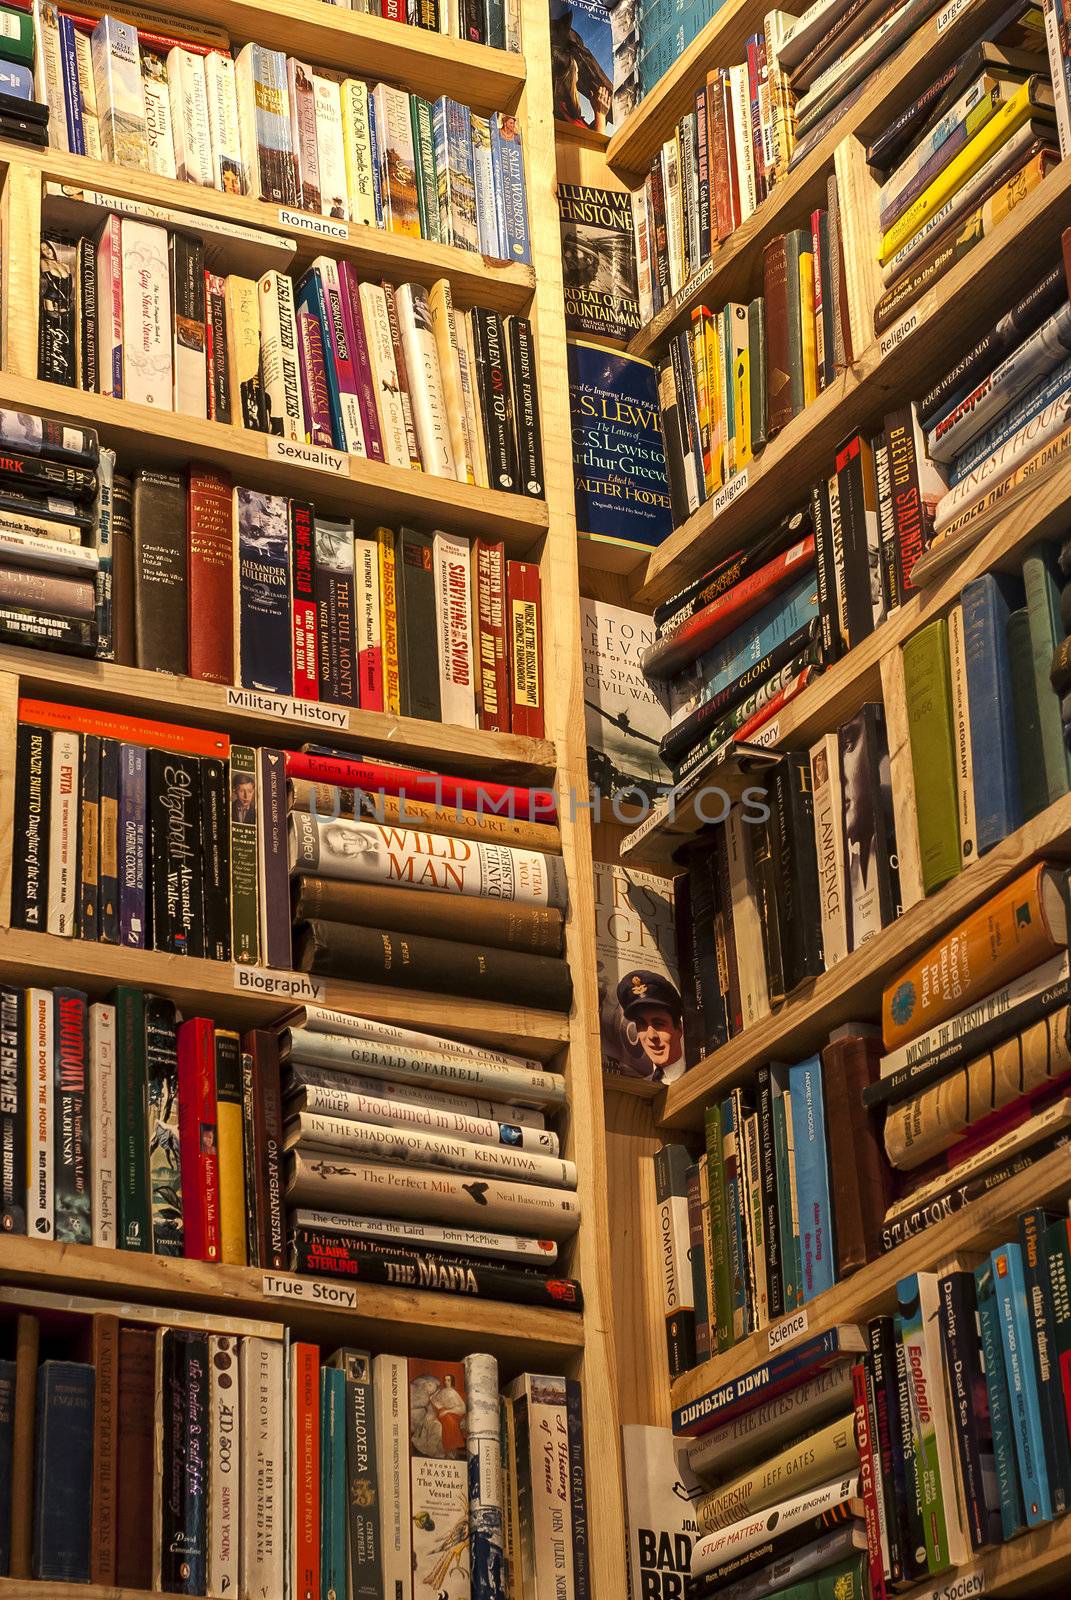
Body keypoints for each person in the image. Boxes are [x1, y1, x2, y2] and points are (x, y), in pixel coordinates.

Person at [616, 970, 685, 1083]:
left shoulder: (698, 1073)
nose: (651, 1036)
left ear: (679, 1028)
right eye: (642, 1025)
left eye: (659, 1024)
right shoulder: (640, 1087)